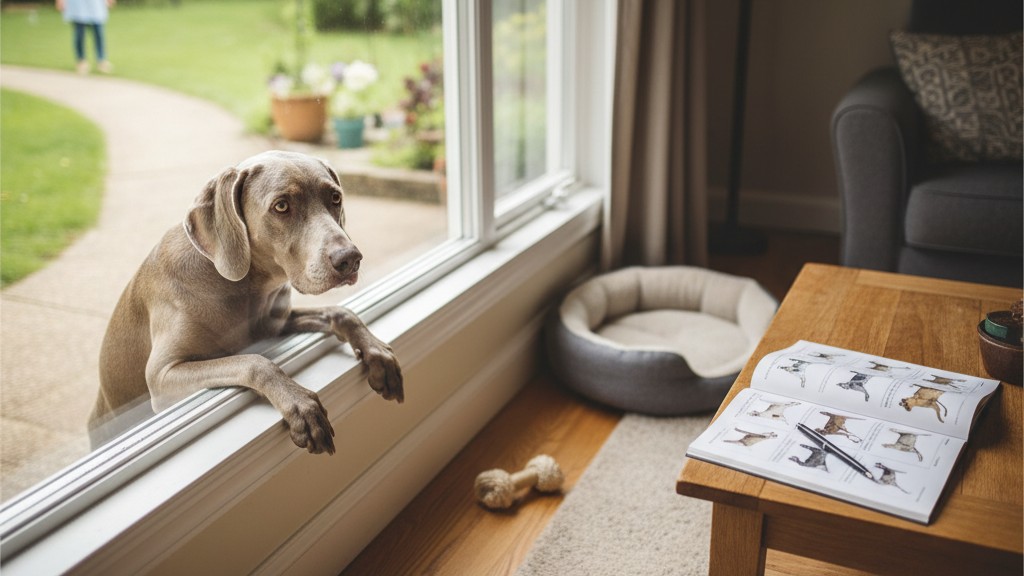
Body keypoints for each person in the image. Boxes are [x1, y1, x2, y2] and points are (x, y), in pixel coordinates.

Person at [56, 0, 115, 75]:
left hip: (95, 4)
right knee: (79, 33)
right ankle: (81, 60)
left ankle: (101, 60)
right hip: (78, 4)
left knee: (98, 33)